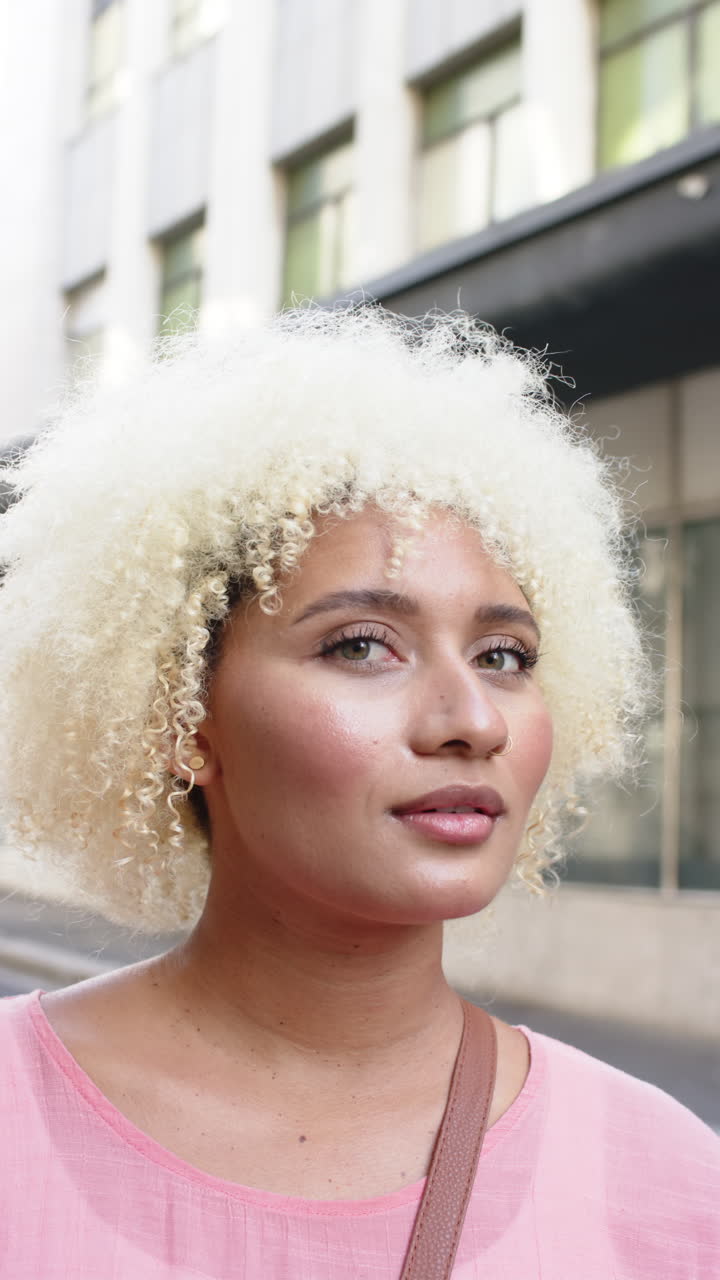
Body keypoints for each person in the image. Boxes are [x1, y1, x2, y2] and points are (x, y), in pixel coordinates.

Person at [0, 307, 717, 1279]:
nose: (474, 717)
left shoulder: (669, 1186)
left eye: (505, 655)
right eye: (362, 644)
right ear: (181, 713)